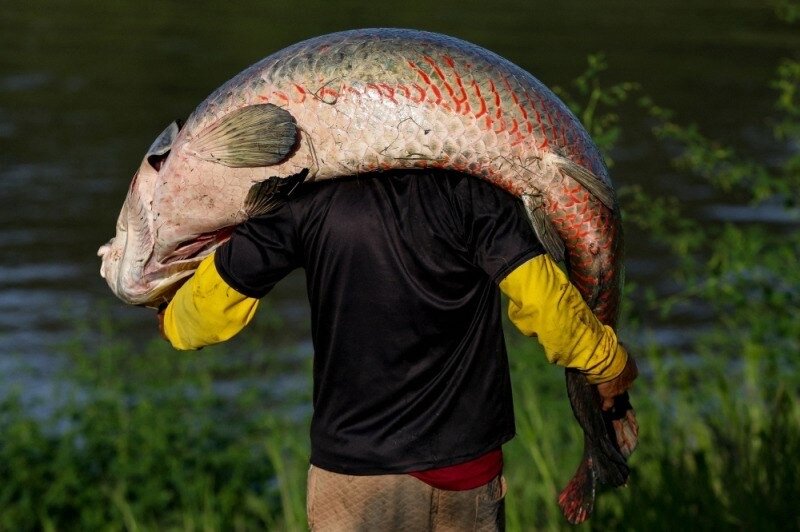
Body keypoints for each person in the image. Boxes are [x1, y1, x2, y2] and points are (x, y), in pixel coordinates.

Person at [158, 169, 637, 531]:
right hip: (465, 467)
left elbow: (197, 322)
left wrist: (170, 316)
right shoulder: (475, 194)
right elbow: (547, 307)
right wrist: (608, 364)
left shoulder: (303, 199)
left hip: (354, 478)